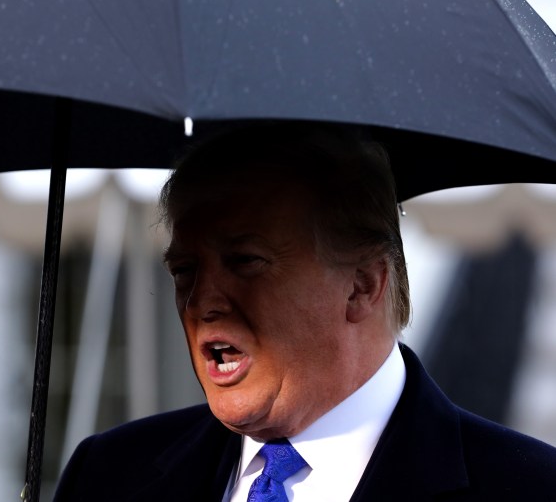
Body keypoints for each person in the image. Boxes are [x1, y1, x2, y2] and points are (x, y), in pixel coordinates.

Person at [53, 122, 556, 501]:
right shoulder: (109, 475)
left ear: (362, 285)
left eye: (245, 262)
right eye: (185, 270)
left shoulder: (527, 487)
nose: (203, 303)